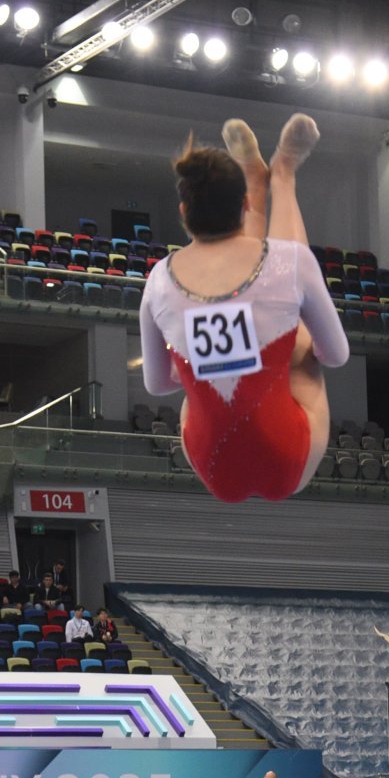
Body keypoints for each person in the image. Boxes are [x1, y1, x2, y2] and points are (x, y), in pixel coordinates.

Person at [139, 114, 348, 503]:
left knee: (202, 376)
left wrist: (210, 360)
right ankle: (281, 175)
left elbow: (158, 384)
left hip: (213, 463)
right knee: (300, 345)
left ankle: (264, 173)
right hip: (288, 456)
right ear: (246, 205)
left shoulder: (157, 280)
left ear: (184, 213)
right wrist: (285, 348)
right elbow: (335, 355)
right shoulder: (293, 262)